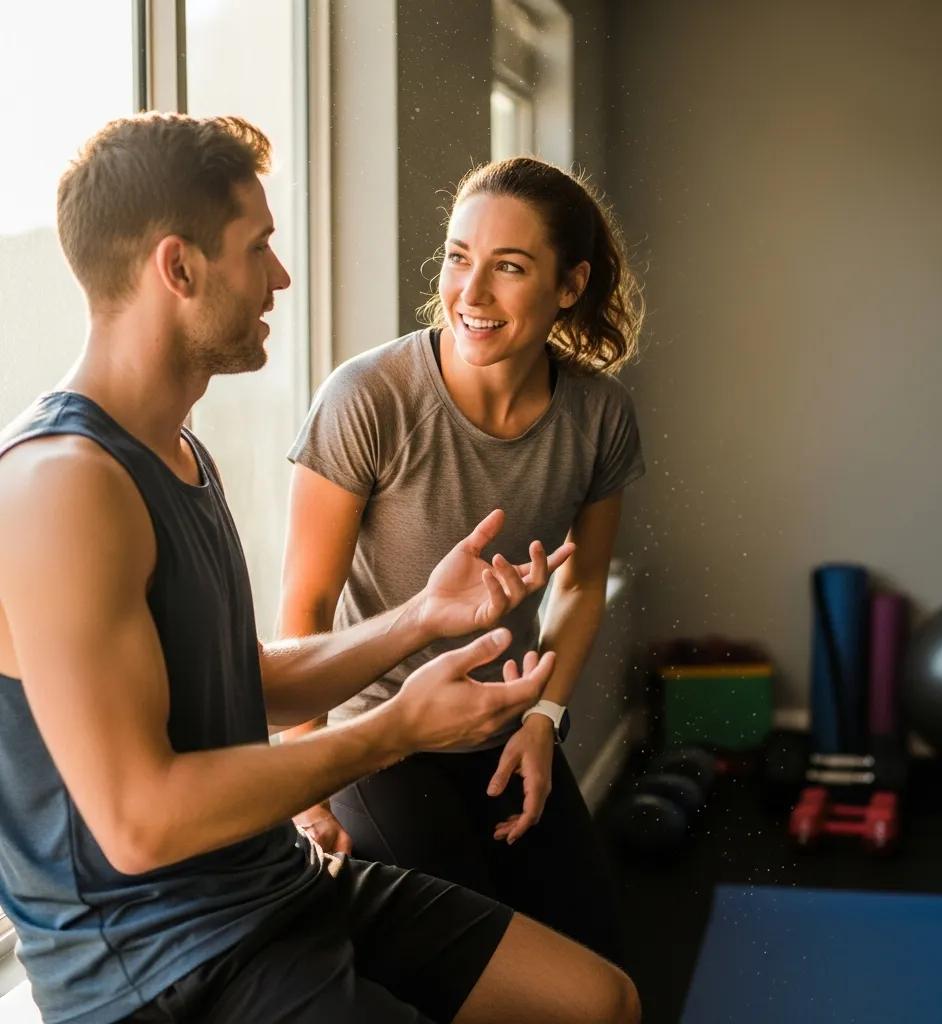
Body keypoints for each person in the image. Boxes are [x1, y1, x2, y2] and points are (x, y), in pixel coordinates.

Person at [0, 113, 641, 1024]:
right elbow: (139, 822)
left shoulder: (176, 453)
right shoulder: (60, 488)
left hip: (271, 892)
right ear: (178, 268)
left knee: (599, 1000)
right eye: (258, 247)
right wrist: (395, 730)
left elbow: (243, 684)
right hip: (164, 966)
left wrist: (418, 616)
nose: (280, 275)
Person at [280, 155, 645, 963]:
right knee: (485, 975)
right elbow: (305, 606)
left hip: (505, 732)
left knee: (599, 969)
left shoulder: (600, 415)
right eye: (457, 257)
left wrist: (546, 717)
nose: (470, 294)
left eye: (508, 268)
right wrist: (308, 788)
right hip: (380, 741)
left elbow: (581, 583)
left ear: (568, 284)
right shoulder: (367, 398)